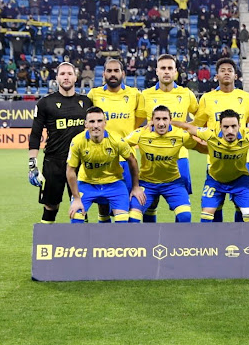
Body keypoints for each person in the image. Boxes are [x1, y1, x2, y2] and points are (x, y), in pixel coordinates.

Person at [173, 110, 249, 223]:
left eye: (234, 126)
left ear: (239, 125)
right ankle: (209, 241)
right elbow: (187, 127)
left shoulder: (248, 135)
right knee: (206, 215)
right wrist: (167, 122)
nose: (230, 130)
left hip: (240, 181)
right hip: (215, 181)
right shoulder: (210, 134)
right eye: (226, 127)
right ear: (220, 126)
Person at [193, 58, 249, 222]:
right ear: (217, 75)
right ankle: (216, 241)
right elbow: (196, 125)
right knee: (215, 206)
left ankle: (238, 238)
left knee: (241, 208)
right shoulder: (207, 99)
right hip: (214, 161)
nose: (226, 72)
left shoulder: (246, 98)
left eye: (230, 70)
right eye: (222, 70)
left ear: (236, 75)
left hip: (241, 161)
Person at [135, 54, 198, 222]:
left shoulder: (186, 94)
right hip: (152, 159)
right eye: (163, 68)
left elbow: (199, 116)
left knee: (182, 209)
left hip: (180, 158)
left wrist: (190, 130)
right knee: (150, 205)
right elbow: (137, 123)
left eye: (170, 68)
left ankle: (176, 245)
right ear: (157, 71)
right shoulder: (146, 95)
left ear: (176, 72)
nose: (167, 72)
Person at [28, 62, 92, 223]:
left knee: (81, 206)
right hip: (54, 162)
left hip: (80, 163)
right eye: (62, 74)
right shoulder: (45, 103)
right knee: (51, 206)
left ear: (75, 77)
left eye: (69, 74)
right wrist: (32, 163)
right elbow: (35, 134)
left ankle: (82, 245)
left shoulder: (87, 102)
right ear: (56, 78)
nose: (66, 77)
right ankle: (46, 245)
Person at [87, 59, 145, 223]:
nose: (113, 74)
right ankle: (104, 245)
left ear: (123, 74)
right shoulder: (94, 94)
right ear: (104, 74)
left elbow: (138, 120)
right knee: (103, 205)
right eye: (109, 71)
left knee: (125, 206)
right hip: (100, 157)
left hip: (126, 158)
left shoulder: (135, 94)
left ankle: (124, 243)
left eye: (116, 71)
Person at [125, 105, 206, 223]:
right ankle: (145, 240)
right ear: (151, 120)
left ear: (170, 120)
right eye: (157, 119)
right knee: (133, 217)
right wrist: (135, 185)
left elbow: (200, 148)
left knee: (185, 217)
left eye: (164, 119)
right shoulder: (141, 133)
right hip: (147, 184)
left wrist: (221, 148)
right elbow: (119, 145)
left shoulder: (180, 135)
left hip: (173, 184)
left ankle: (176, 241)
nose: (161, 123)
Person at [66, 107, 146, 223]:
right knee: (76, 217)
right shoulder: (77, 141)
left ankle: (113, 241)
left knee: (123, 221)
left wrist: (135, 186)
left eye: (99, 121)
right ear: (86, 124)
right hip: (87, 184)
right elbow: (70, 170)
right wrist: (76, 198)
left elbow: (132, 160)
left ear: (105, 123)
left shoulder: (116, 140)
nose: (96, 125)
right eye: (92, 122)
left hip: (114, 183)